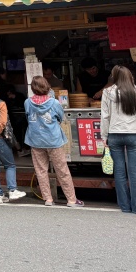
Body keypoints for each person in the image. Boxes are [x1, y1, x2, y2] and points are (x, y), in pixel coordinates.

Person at [25, 76, 84, 207]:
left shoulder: (27, 102)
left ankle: (48, 199)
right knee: (62, 169)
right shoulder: (54, 103)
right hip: (53, 140)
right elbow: (60, 117)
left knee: (41, 170)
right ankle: (71, 200)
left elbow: (27, 116)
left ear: (33, 88)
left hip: (35, 140)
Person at [101, 65, 136, 214]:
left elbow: (105, 116)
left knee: (119, 172)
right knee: (135, 172)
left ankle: (125, 207)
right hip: (134, 134)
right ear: (130, 77)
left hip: (114, 134)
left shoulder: (107, 92)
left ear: (114, 77)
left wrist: (104, 136)